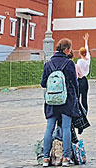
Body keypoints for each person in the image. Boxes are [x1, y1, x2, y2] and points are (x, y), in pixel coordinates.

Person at [41, 38, 80, 166]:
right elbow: (75, 83)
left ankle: (46, 158)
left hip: (52, 100)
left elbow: (43, 83)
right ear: (66, 49)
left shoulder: (48, 64)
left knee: (49, 128)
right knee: (66, 128)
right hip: (66, 100)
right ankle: (65, 158)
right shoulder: (69, 64)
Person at [75, 33, 91, 115]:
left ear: (80, 53)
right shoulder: (88, 60)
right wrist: (86, 41)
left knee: (77, 97)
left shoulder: (79, 61)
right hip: (85, 80)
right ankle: (85, 112)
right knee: (84, 98)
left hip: (79, 80)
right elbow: (87, 51)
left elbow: (77, 71)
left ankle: (78, 112)